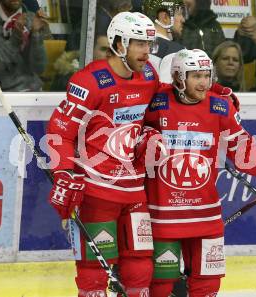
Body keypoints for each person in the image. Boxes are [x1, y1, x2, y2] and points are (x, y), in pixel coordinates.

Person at [142, 49, 256, 297]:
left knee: (208, 285)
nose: (204, 82)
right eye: (196, 75)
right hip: (163, 214)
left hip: (204, 214)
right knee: (160, 286)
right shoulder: (156, 102)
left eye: (207, 75)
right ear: (178, 76)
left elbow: (244, 153)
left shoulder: (219, 107)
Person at [46, 11, 159, 297]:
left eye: (149, 44)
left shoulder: (149, 75)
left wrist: (214, 93)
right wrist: (63, 171)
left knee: (141, 266)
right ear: (119, 44)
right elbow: (60, 131)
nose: (147, 52)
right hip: (97, 190)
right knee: (94, 270)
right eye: (139, 44)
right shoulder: (90, 81)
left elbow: (168, 102)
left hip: (134, 190)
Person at [0, 0, 51, 91]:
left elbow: (39, 68)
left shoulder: (32, 19)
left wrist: (36, 35)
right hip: (1, 94)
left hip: (34, 93)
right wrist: (16, 38)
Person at [143, 0, 186, 83]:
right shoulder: (176, 51)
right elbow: (167, 91)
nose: (183, 19)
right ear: (165, 17)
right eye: (179, 14)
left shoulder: (132, 44)